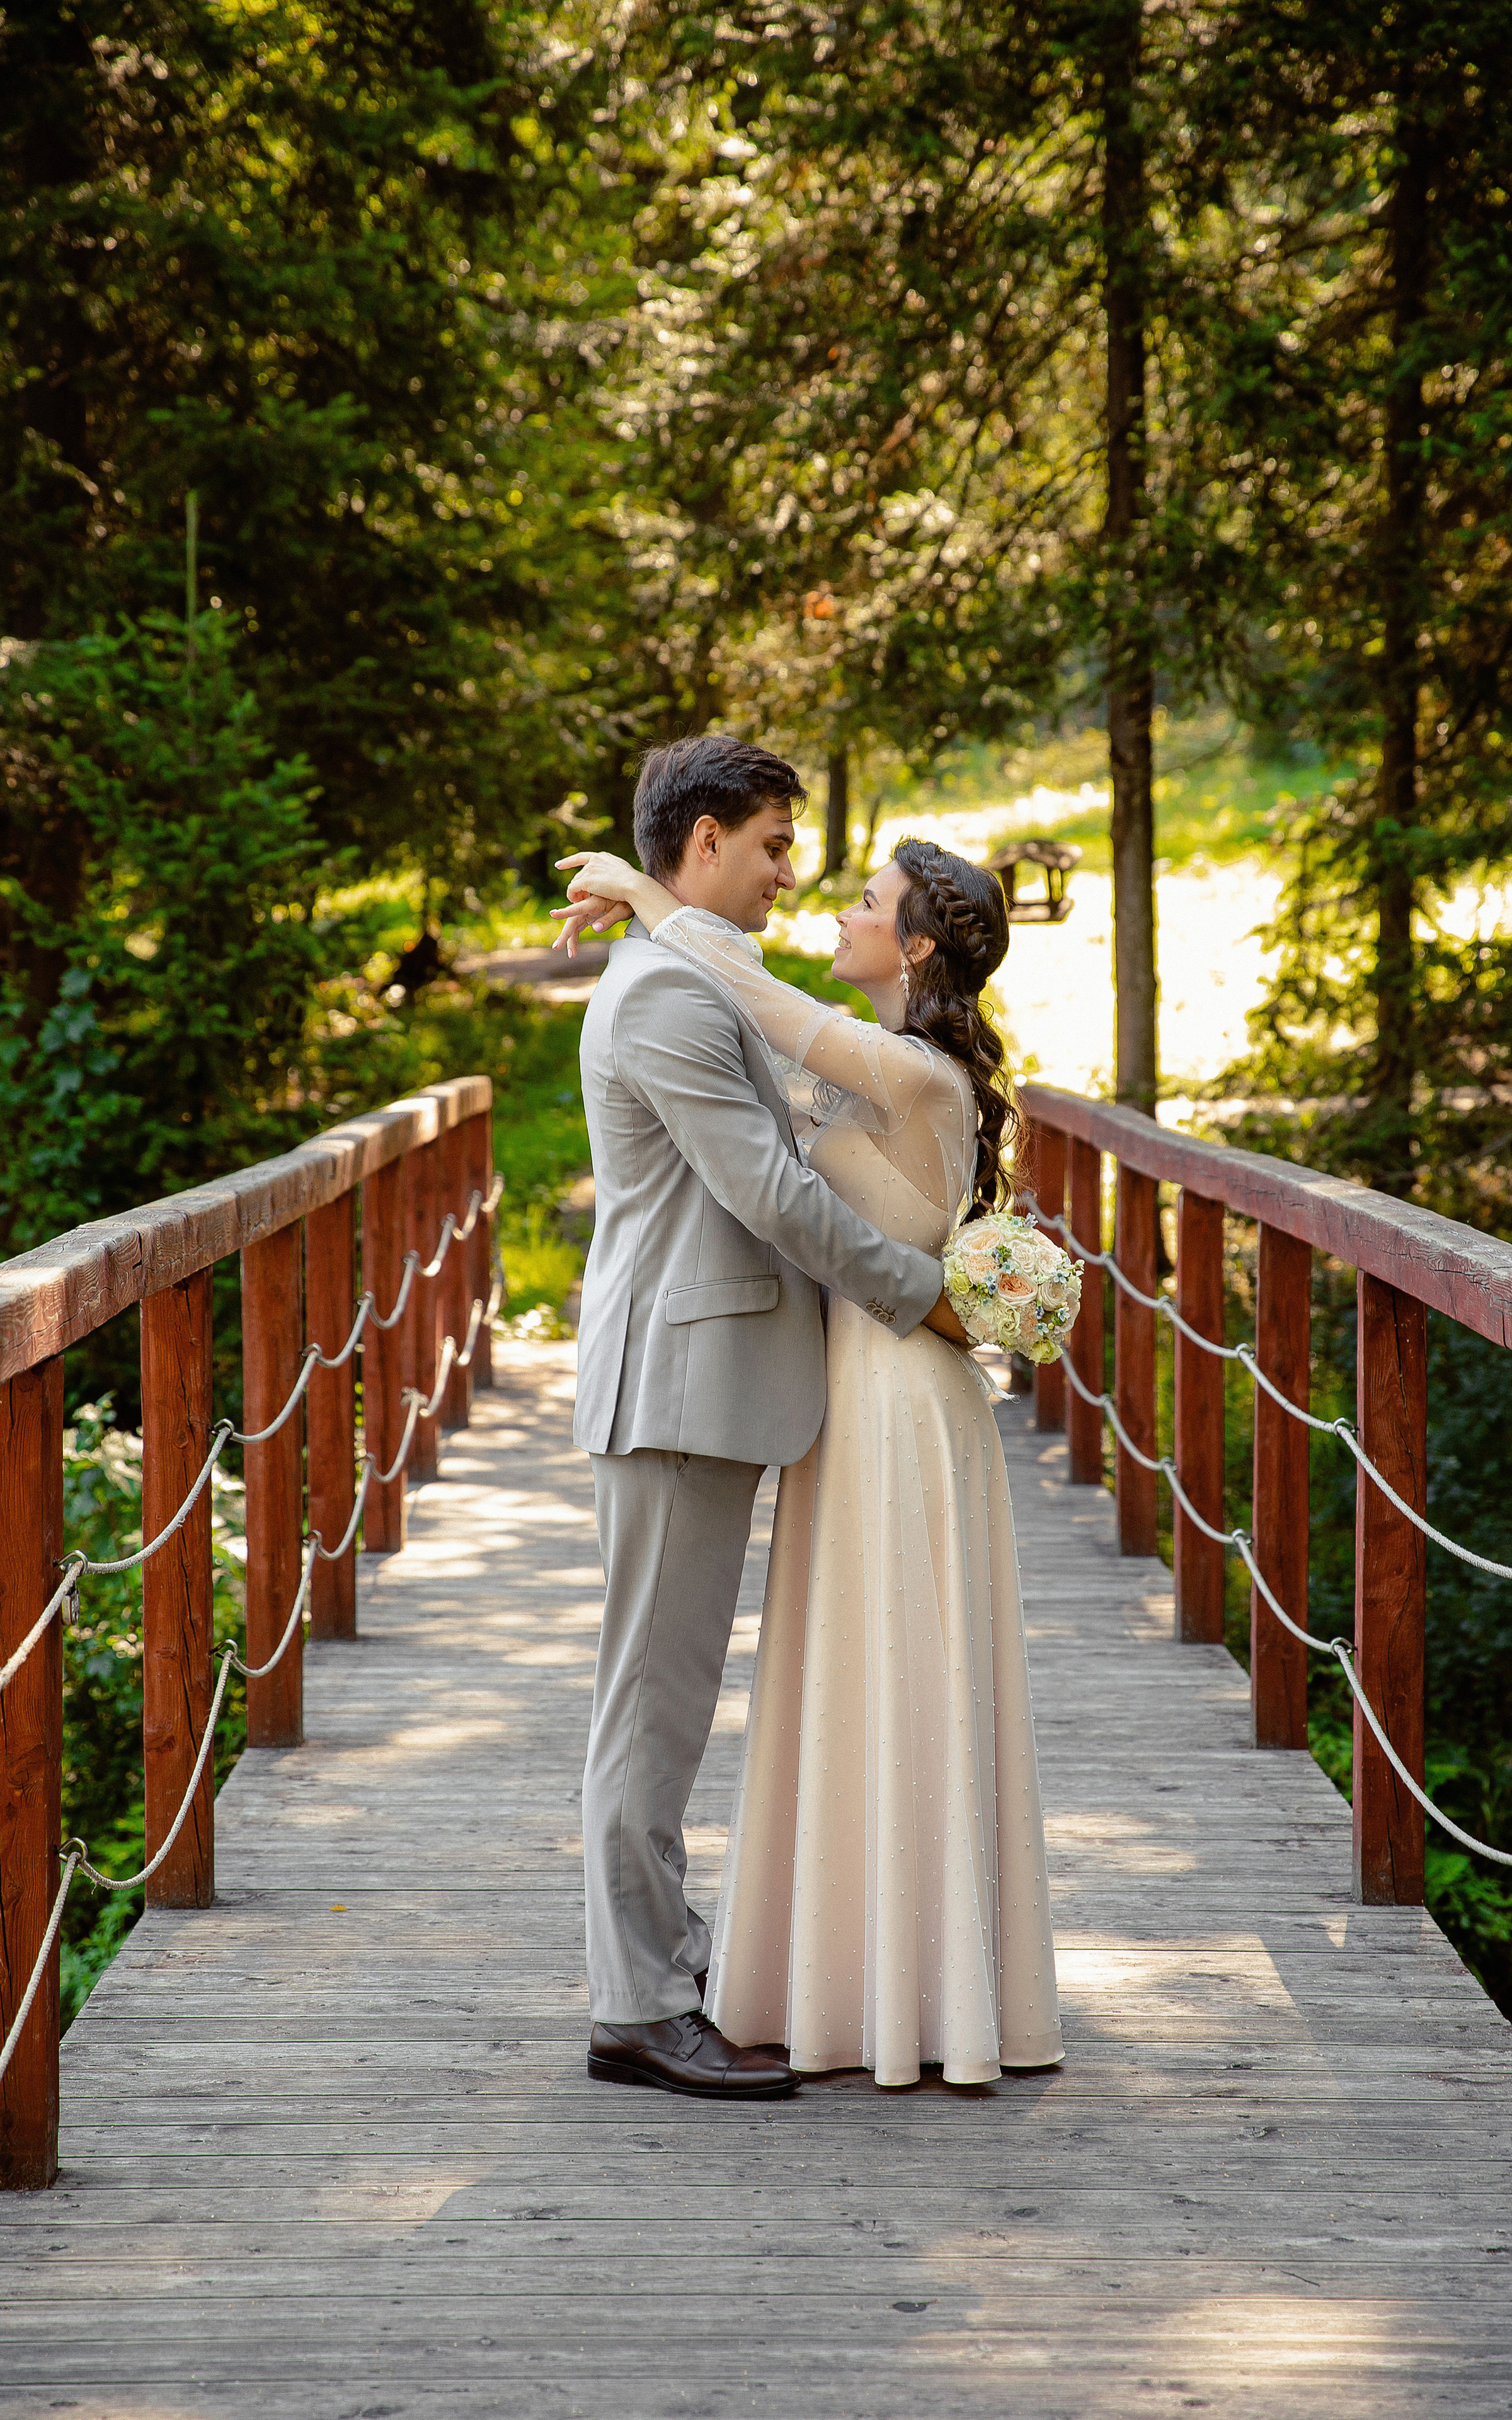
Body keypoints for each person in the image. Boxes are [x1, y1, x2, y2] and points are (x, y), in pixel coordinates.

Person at [559, 821, 1063, 2090]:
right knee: (849, 1682)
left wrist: (644, 895)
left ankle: (900, 1988)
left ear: (919, 945)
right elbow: (762, 1118)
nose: (831, 903)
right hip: (847, 1385)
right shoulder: (868, 1066)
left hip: (897, 1392)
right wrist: (656, 906)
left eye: (867, 900)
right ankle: (839, 1978)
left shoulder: (908, 1073)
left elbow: (759, 1005)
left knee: (896, 1678)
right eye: (789, 855)